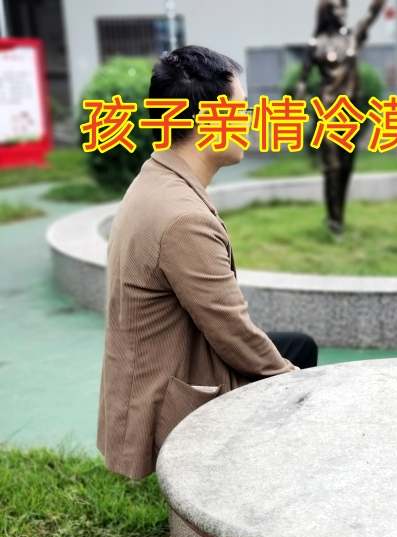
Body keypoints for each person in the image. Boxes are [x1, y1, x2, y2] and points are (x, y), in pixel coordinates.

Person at [97, 46, 318, 481]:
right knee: (298, 381)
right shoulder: (182, 218)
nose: (250, 121)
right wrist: (301, 384)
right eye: (243, 109)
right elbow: (233, 335)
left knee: (297, 346)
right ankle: (259, 496)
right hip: (168, 403)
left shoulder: (157, 175)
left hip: (150, 378)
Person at [295, 0, 386, 235]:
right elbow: (303, 79)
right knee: (332, 166)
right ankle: (334, 221)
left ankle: (338, 217)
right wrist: (297, 99)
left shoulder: (353, 37)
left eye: (345, 7)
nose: (343, 11)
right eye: (337, 7)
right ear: (327, 11)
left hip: (351, 113)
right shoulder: (316, 44)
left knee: (346, 166)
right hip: (328, 111)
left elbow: (371, 13)